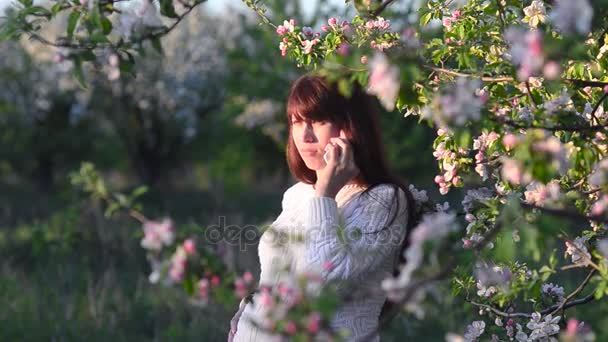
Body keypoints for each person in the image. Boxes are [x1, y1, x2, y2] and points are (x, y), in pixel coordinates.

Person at [228, 73, 417, 341]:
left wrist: (326, 193)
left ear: (350, 127)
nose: (304, 136)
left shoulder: (384, 200)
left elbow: (319, 285)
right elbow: (275, 277)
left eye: (318, 121)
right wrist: (248, 311)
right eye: (296, 122)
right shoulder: (297, 195)